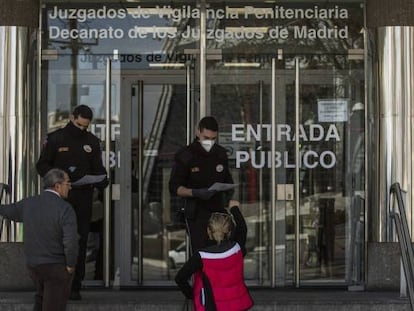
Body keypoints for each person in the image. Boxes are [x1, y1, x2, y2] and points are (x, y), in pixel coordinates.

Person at [36, 104, 108, 300]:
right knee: (55, 242)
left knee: (79, 242)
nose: (82, 129)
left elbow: (98, 169)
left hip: (83, 199)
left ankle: (75, 286)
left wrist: (101, 179)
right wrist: (58, 179)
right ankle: (49, 287)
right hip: (59, 199)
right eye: (79, 124)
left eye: (85, 126)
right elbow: (42, 165)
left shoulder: (91, 141)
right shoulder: (55, 138)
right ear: (71, 118)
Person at [0, 169, 78, 311]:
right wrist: (71, 265)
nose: (70, 187)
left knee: (41, 300)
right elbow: (71, 241)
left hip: (34, 265)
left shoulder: (29, 203)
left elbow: (7, 211)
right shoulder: (65, 209)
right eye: (68, 183)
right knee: (53, 305)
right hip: (56, 266)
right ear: (57, 186)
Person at [169, 116, 234, 252]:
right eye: (206, 138)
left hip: (217, 213)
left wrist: (227, 191)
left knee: (221, 251)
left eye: (213, 139)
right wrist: (194, 192)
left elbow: (228, 180)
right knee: (201, 253)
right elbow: (174, 187)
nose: (209, 142)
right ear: (197, 132)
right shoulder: (185, 155)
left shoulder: (220, 153)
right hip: (195, 213)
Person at [175, 200, 253, 311]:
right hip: (237, 305)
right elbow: (242, 229)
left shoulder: (201, 256)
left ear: (208, 231)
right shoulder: (237, 249)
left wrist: (191, 294)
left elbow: (180, 278)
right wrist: (234, 209)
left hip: (212, 307)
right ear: (229, 231)